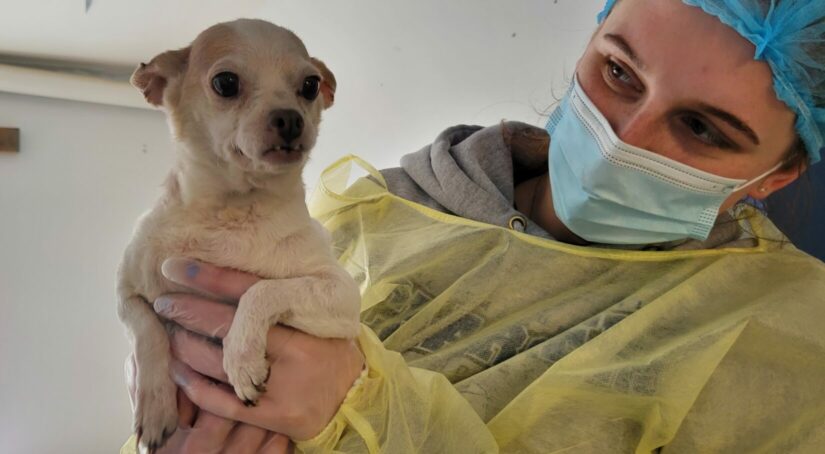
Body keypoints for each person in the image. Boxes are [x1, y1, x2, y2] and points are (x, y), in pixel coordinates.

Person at [121, 0, 825, 452]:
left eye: (700, 128)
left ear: (772, 179)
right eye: (617, 72)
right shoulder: (374, 211)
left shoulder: (785, 346)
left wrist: (364, 411)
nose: (622, 137)